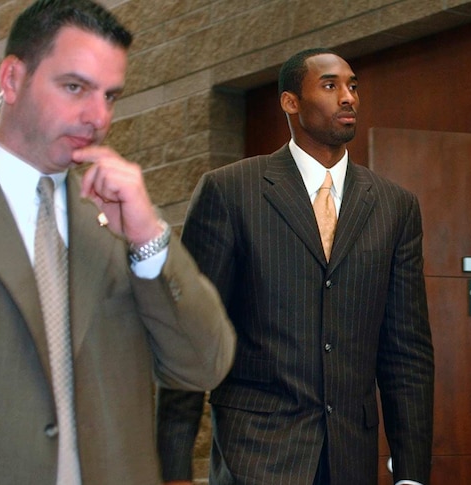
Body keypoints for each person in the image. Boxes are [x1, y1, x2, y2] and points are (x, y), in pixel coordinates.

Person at [0, 0, 237, 483]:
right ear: (12, 79)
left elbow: (205, 365)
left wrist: (148, 240)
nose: (97, 117)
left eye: (111, 96)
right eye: (75, 87)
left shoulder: (120, 222)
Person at [156, 48, 435, 485]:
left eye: (353, 86)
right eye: (330, 85)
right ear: (290, 102)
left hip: (350, 457)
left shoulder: (395, 206)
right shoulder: (231, 192)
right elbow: (188, 336)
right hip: (255, 455)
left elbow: (407, 353)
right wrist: (172, 470)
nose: (348, 98)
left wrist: (412, 473)